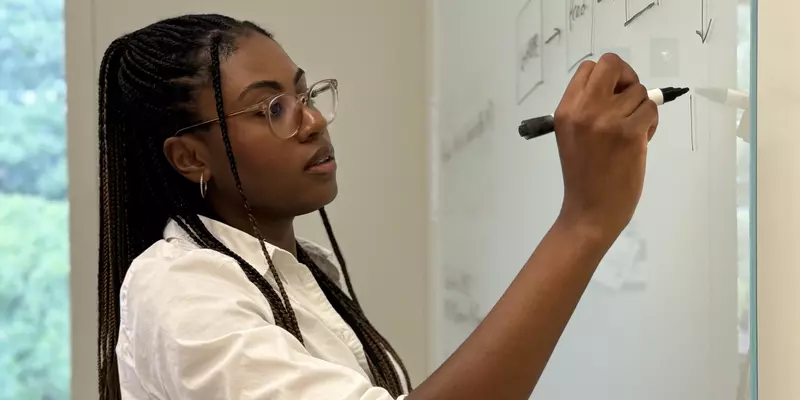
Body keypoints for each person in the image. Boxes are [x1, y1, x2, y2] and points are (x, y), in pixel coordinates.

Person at [96, 13, 659, 400]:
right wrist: (583, 223)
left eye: (305, 94)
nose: (312, 120)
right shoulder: (178, 292)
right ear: (191, 157)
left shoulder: (301, 267)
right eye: (271, 108)